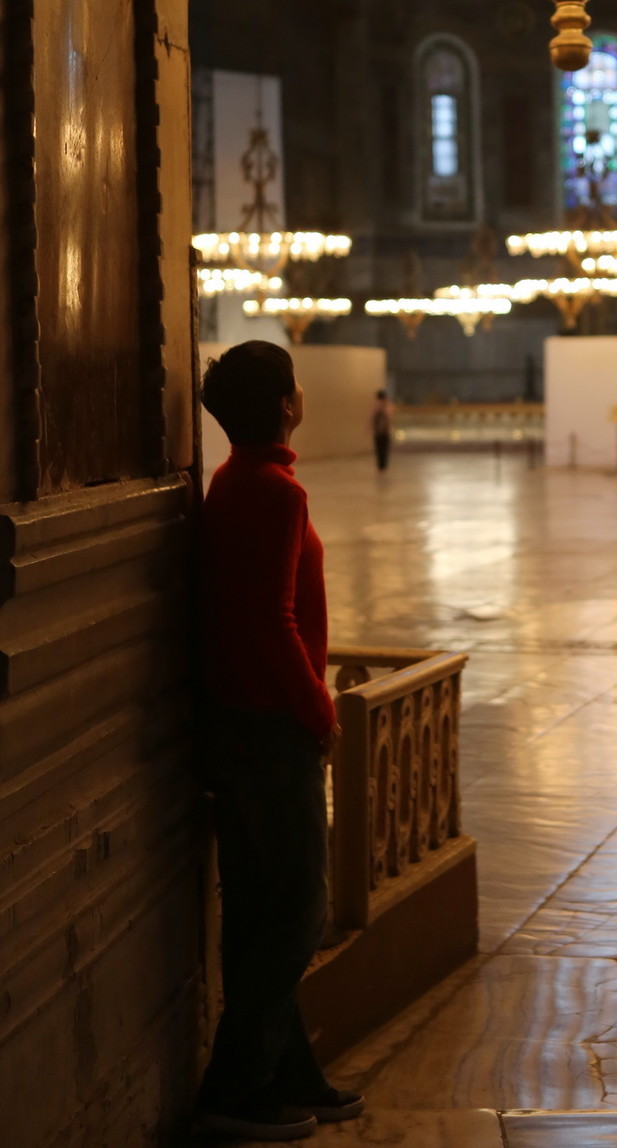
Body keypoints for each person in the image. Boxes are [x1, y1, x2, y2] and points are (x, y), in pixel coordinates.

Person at [194, 340, 364, 1142]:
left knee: (260, 912)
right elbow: (273, 622)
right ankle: (233, 1089)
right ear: (286, 404)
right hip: (272, 729)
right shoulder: (277, 494)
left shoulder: (232, 482)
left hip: (235, 724)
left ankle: (289, 1073)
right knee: (300, 911)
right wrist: (318, 711)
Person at [371, 388, 393, 471]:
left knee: (384, 448)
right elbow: (372, 418)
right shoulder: (375, 406)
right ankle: (380, 465)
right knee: (379, 448)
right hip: (378, 431)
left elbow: (389, 416)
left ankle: (383, 465)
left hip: (385, 431)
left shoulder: (388, 405)